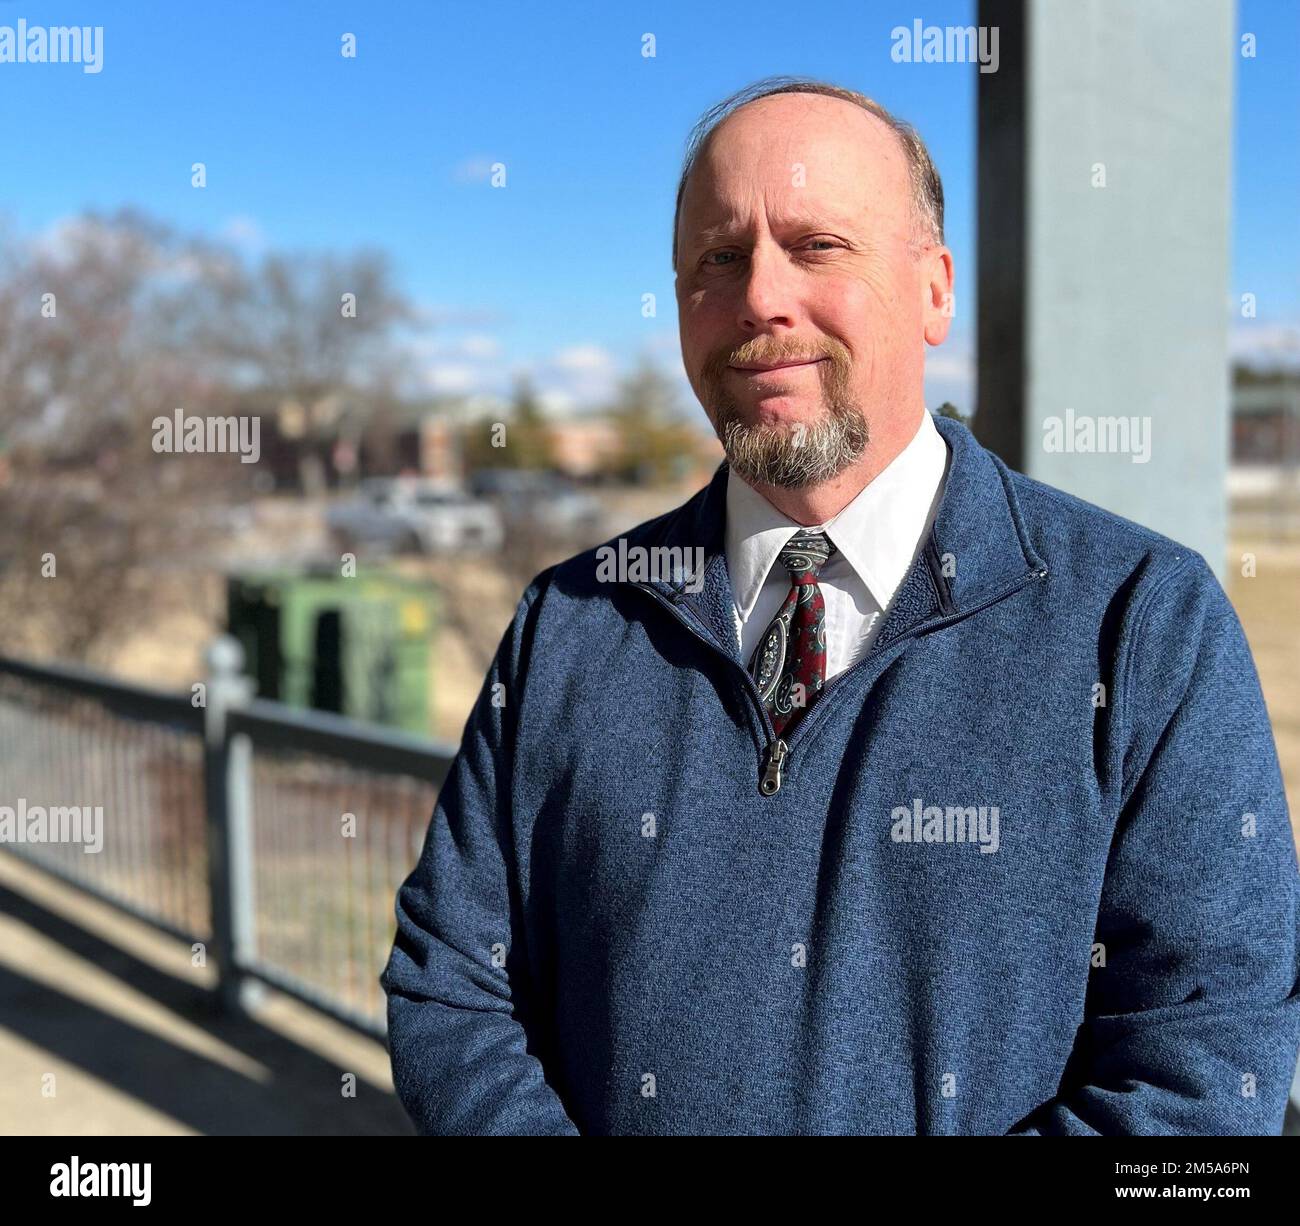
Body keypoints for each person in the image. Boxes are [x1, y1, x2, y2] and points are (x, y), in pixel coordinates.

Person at [380, 76, 1300, 1135]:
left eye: (816, 246)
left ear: (933, 289)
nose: (760, 299)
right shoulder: (573, 622)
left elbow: (1203, 1078)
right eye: (718, 258)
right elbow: (451, 982)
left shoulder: (1141, 621)